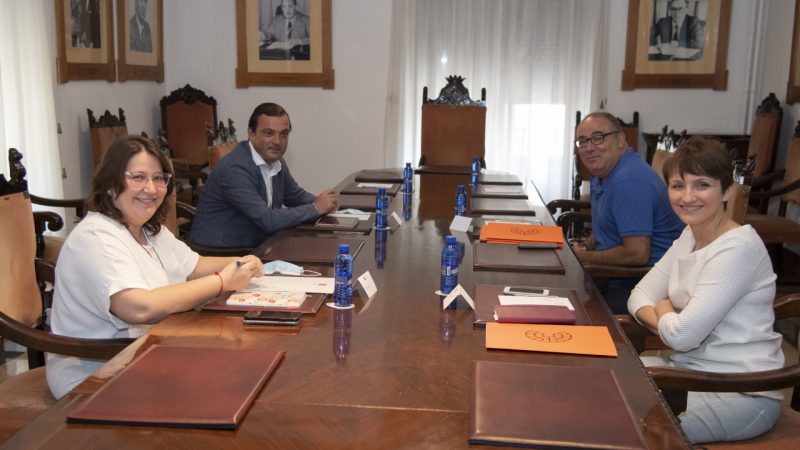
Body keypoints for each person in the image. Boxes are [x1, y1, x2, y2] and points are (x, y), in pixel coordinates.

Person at [46, 135, 264, 399]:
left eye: (159, 178)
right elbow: (139, 307)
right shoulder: (96, 237)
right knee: (224, 387)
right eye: (138, 177)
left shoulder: (149, 229)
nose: (151, 189)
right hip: (96, 371)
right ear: (110, 185)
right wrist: (221, 282)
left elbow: (194, 266)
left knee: (244, 371)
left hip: (146, 351)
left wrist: (243, 261)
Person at [628, 137, 783, 444]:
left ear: (727, 191)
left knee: (624, 425)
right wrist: (667, 314)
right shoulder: (690, 234)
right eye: (677, 185)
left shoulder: (738, 248)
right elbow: (638, 296)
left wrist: (664, 307)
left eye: (701, 185)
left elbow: (683, 337)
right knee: (602, 387)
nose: (688, 197)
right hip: (687, 372)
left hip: (740, 390)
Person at [571, 112, 683, 313]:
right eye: (582, 141)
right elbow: (609, 223)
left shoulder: (629, 181)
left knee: (563, 307)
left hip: (640, 284)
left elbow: (637, 254)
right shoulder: (603, 171)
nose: (589, 147)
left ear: (620, 140)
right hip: (612, 275)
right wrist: (586, 246)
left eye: (598, 138)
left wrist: (582, 258)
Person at [189, 102, 339, 248]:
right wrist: (316, 208)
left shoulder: (276, 159)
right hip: (221, 253)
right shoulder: (235, 168)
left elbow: (294, 195)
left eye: (284, 134)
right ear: (251, 134)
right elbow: (268, 220)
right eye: (269, 133)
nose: (277, 141)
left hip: (257, 244)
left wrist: (325, 202)